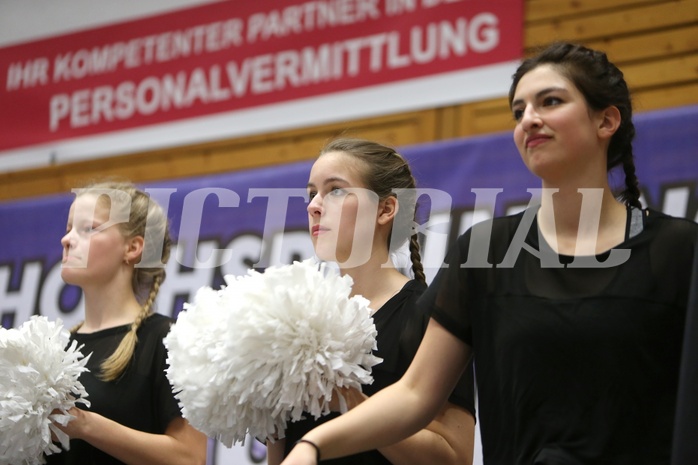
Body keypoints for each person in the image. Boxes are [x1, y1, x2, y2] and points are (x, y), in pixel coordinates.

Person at [280, 42, 698, 465]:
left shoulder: (679, 249)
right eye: (519, 111)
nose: (530, 119)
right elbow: (414, 395)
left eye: (550, 101)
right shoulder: (486, 250)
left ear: (606, 120)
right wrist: (314, 444)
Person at [266, 138, 476, 465]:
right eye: (312, 193)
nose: (313, 205)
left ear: (386, 209)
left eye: (335, 190)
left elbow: (454, 457)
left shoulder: (427, 315)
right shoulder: (298, 319)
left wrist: (353, 403)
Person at [47, 180, 207, 465]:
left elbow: (190, 457)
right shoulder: (53, 351)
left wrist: (85, 425)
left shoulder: (168, 339)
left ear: (132, 248)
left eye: (88, 229)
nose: (67, 239)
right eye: (68, 228)